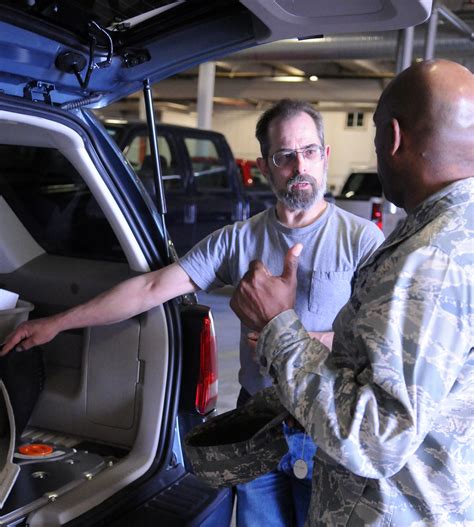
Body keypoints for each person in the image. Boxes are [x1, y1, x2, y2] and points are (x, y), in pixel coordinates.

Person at [1, 99, 384, 526]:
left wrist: (290, 334)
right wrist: (57, 323)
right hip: (257, 426)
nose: (300, 166)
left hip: (327, 429)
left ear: (325, 155)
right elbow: (150, 288)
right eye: (285, 155)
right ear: (264, 165)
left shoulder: (364, 242)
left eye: (310, 151)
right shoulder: (238, 240)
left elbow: (377, 346)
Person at [230, 59, 474, 526]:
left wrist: (280, 326)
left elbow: (374, 439)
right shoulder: (457, 232)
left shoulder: (428, 261)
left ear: (392, 138)